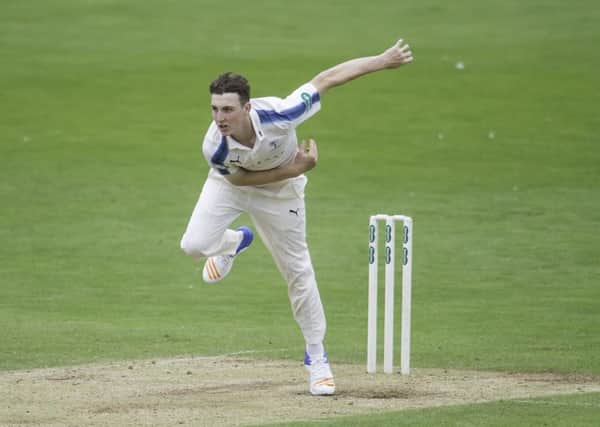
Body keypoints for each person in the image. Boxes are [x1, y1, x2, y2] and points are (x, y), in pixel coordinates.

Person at [180, 39, 413, 396]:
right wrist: (294, 168)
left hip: (282, 195)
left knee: (298, 271)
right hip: (236, 184)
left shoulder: (282, 113)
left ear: (247, 107)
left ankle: (317, 357)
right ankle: (235, 241)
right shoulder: (215, 145)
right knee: (194, 246)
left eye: (227, 109)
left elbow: (327, 79)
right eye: (214, 109)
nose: (219, 118)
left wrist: (382, 60)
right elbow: (240, 180)